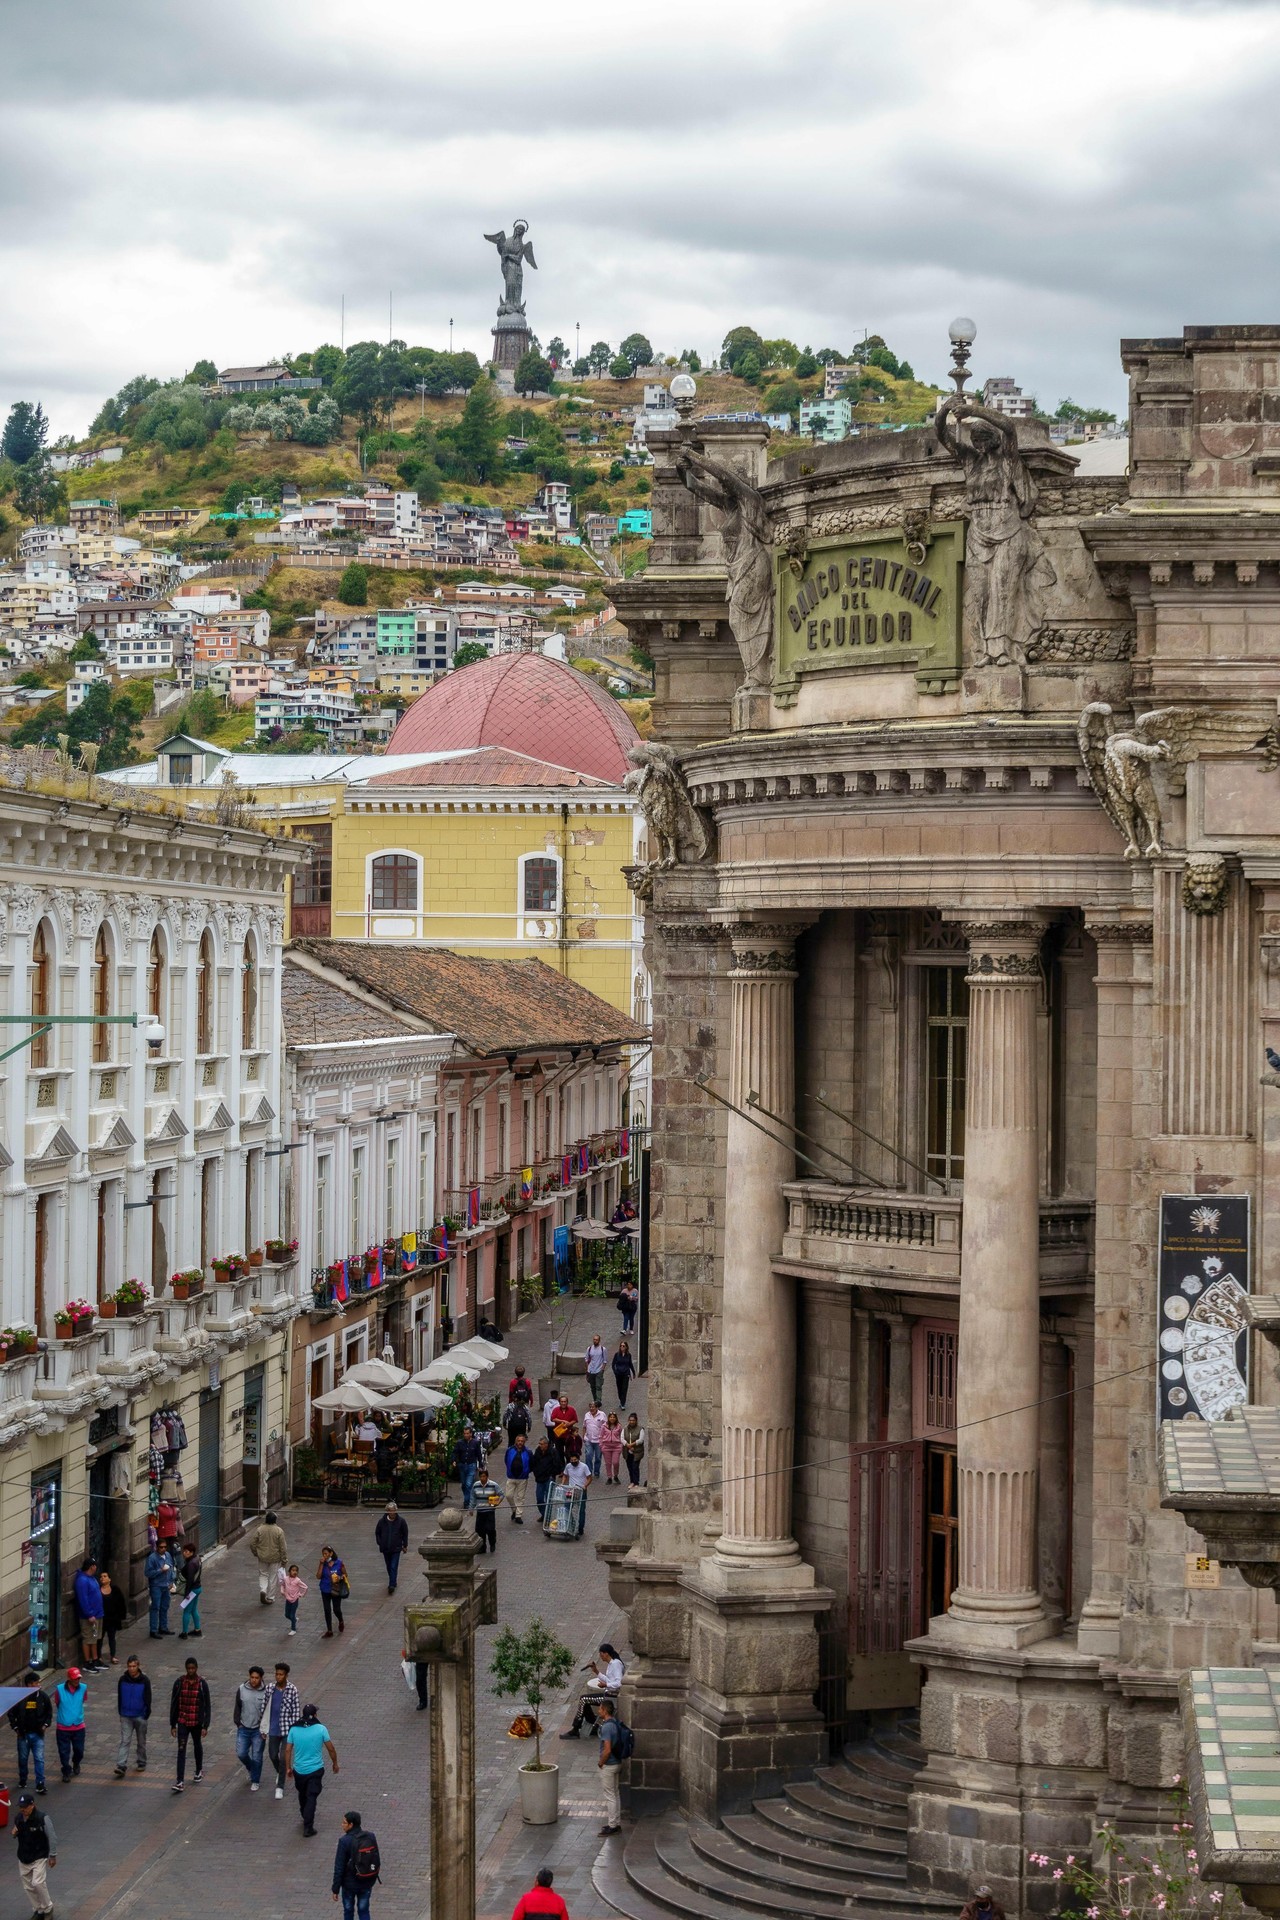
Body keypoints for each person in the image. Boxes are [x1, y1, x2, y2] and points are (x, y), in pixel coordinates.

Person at [286, 1702, 339, 1837]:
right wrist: (335, 1763)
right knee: (312, 1797)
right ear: (315, 1715)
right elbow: (330, 1748)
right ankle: (308, 1826)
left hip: (299, 1770)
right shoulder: (321, 1729)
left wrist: (288, 1767)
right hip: (315, 1769)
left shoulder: (294, 1729)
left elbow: (288, 1750)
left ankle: (304, 1813)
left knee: (302, 1793)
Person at [562, 1643, 624, 1739]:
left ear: (606, 1653)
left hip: (611, 1696)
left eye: (601, 1654)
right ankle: (591, 1723)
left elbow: (619, 1683)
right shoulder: (612, 1664)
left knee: (583, 1699)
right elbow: (609, 1679)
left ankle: (576, 1728)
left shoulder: (616, 1664)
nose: (601, 1656)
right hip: (608, 1693)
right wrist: (596, 1671)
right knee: (584, 1699)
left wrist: (606, 1685)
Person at [169, 1655, 210, 1793]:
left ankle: (199, 1769)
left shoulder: (202, 1684)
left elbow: (207, 1706)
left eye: (193, 1668)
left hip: (196, 1721)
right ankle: (179, 1780)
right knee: (181, 1749)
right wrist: (172, 1724)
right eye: (188, 1668)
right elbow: (174, 1704)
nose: (191, 1670)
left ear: (196, 1668)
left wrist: (205, 1725)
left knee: (197, 1744)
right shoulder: (179, 1683)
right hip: (183, 1721)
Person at [331, 1809, 380, 1920]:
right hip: (367, 1881)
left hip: (349, 1884)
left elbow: (339, 1867)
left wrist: (335, 1889)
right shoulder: (370, 1836)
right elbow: (376, 1858)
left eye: (344, 1822)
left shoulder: (344, 1841)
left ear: (351, 1824)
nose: (342, 1825)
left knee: (348, 1911)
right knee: (364, 1910)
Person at [13, 1793, 56, 1918]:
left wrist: (52, 1855)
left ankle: (48, 1909)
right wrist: (15, 1832)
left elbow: (52, 1837)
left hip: (39, 1855)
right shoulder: (19, 1818)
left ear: (32, 1805)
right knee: (28, 1887)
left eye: (25, 1807)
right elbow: (17, 1830)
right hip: (23, 1857)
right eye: (21, 1807)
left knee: (37, 1882)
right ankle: (38, 1909)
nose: (22, 1809)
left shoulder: (43, 1818)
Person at [264, 1662, 300, 1799]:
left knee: (284, 1757)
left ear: (286, 1675)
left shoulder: (292, 1690)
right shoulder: (270, 1689)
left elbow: (296, 1712)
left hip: (287, 1730)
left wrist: (294, 1729)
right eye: (277, 1674)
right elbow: (264, 1707)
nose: (278, 1677)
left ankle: (280, 1787)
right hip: (273, 1728)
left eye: (281, 1674)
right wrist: (263, 1727)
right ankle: (280, 1771)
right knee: (273, 1755)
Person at [10, 1675, 51, 1795]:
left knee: (39, 1759)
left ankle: (40, 1783)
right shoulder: (20, 1698)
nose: (38, 1684)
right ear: (29, 1685)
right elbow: (11, 1713)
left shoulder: (43, 1697)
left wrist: (45, 1725)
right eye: (36, 1683)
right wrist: (16, 1728)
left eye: (38, 1682)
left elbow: (49, 1713)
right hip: (23, 1735)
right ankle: (23, 1779)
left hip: (38, 1734)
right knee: (23, 1759)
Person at [114, 1654, 151, 1777]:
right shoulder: (122, 1680)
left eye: (134, 1666)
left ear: (138, 1666)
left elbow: (148, 1698)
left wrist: (146, 1713)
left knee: (141, 1741)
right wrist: (121, 1711)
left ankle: (141, 1762)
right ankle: (121, 1765)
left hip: (140, 1715)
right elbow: (119, 1696)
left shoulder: (145, 1680)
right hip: (126, 1715)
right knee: (125, 1740)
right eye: (130, 1666)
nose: (131, 1669)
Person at [233, 1664, 268, 1791]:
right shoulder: (242, 1689)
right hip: (244, 1727)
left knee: (257, 1756)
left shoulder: (266, 1691)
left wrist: (265, 1728)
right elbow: (238, 1706)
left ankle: (255, 1780)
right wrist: (238, 1722)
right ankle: (251, 1769)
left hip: (258, 1729)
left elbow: (268, 1711)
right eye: (252, 1677)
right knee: (241, 1753)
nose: (254, 1680)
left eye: (257, 1678)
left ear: (261, 1678)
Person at [53, 1668, 87, 1782]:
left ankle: (76, 1762)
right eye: (75, 1678)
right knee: (63, 1751)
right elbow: (57, 1703)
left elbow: (83, 1700)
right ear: (69, 1678)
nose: (77, 1680)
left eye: (78, 1678)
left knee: (79, 1750)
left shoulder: (83, 1688)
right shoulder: (59, 1689)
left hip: (78, 1726)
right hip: (63, 1727)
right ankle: (66, 1771)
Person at [596, 1699, 623, 1835]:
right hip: (617, 1762)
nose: (598, 1711)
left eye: (600, 1709)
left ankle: (612, 1825)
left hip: (609, 1764)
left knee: (610, 1795)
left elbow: (607, 1749)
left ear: (605, 1711)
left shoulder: (606, 1727)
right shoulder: (615, 1723)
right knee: (616, 1793)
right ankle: (616, 1822)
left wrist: (601, 1762)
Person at [74, 1558, 105, 1672]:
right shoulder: (82, 1580)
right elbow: (83, 1599)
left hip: (97, 1614)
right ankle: (87, 1662)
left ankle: (95, 1659)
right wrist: (89, 1614)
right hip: (89, 1616)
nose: (96, 1567)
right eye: (95, 1566)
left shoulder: (91, 1578)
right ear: (92, 1567)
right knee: (88, 1638)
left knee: (94, 1638)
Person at [251, 1511, 288, 1604]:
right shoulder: (279, 1531)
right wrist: (284, 1560)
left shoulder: (260, 1529)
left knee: (263, 1574)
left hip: (262, 1557)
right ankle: (270, 1597)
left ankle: (263, 1590)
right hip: (275, 1558)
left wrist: (256, 1553)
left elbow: (252, 1543)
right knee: (273, 1577)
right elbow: (283, 1547)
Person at [374, 1503, 409, 1594]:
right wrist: (380, 1543)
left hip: (396, 1548)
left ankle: (391, 1584)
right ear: (387, 1511)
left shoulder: (401, 1521)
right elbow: (377, 1533)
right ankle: (393, 1580)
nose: (392, 1512)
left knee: (394, 1566)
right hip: (385, 1548)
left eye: (394, 1510)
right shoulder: (382, 1522)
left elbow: (405, 1534)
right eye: (390, 1511)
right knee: (389, 1566)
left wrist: (405, 1545)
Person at [145, 1541, 175, 1638]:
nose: (163, 1549)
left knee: (164, 1607)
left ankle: (163, 1627)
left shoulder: (168, 1555)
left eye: (165, 1547)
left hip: (166, 1585)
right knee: (155, 1607)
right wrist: (160, 1571)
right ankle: (153, 1630)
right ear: (157, 1548)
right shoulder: (152, 1558)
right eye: (161, 1547)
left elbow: (171, 1568)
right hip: (156, 1586)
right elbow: (148, 1573)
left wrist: (171, 1581)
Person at [317, 1546, 348, 1636]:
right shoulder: (323, 1564)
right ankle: (329, 1630)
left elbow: (345, 1574)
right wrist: (321, 1564)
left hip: (336, 1589)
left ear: (331, 1553)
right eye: (323, 1554)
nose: (324, 1556)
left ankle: (340, 1620)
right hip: (325, 1589)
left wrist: (339, 1577)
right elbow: (318, 1576)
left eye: (326, 1554)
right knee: (327, 1609)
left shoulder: (339, 1563)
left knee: (336, 1609)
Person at [99, 1571, 127, 1666]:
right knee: (99, 1637)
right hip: (102, 1619)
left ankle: (113, 1655)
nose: (103, 1578)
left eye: (105, 1576)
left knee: (112, 1638)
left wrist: (121, 1616)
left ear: (109, 1579)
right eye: (101, 1577)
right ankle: (99, 1656)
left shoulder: (115, 1590)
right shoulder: (98, 1590)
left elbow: (121, 1603)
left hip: (112, 1619)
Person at [453, 1425, 484, 1509]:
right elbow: (455, 1452)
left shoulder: (475, 1443)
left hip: (471, 1465)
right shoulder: (459, 1443)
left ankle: (467, 1502)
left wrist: (480, 1465)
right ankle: (469, 1498)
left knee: (468, 1484)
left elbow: (478, 1454)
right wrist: (454, 1461)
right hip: (462, 1465)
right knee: (463, 1484)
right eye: (464, 1433)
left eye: (467, 1433)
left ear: (471, 1434)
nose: (466, 1435)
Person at [504, 1433, 532, 1523]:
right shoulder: (509, 1450)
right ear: (516, 1441)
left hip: (522, 1478)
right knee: (508, 1495)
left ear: (524, 1442)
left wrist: (527, 1471)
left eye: (522, 1441)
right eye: (518, 1441)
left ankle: (518, 1516)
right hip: (511, 1477)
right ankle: (514, 1509)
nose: (520, 1442)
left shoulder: (528, 1452)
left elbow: (532, 1463)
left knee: (520, 1497)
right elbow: (506, 1460)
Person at [530, 1436, 559, 1523]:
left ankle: (547, 1517)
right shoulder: (538, 1451)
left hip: (549, 1478)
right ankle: (544, 1513)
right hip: (539, 1478)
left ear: (546, 1444)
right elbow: (534, 1463)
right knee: (539, 1498)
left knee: (549, 1498)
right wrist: (536, 1472)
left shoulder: (553, 1452)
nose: (540, 1446)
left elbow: (557, 1464)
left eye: (542, 1444)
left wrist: (552, 1474)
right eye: (539, 1444)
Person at [472, 1466, 501, 1553]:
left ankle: (492, 1543)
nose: (482, 1478)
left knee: (490, 1529)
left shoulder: (493, 1485)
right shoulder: (476, 1485)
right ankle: (482, 1547)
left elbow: (501, 1494)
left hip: (489, 1511)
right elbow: (473, 1497)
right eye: (481, 1476)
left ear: (487, 1477)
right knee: (480, 1531)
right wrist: (471, 1508)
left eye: (484, 1476)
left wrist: (496, 1503)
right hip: (480, 1511)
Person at [178, 1541, 203, 1639]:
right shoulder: (197, 1559)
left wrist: (186, 1593)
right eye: (184, 1551)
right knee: (193, 1609)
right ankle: (197, 1629)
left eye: (187, 1551)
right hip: (198, 1588)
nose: (184, 1553)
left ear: (191, 1552)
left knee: (187, 1611)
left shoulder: (191, 1564)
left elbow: (189, 1580)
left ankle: (184, 1633)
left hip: (192, 1590)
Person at [565, 1454, 591, 1538]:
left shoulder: (584, 1467)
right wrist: (562, 1484)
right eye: (571, 1460)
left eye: (575, 1460)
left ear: (578, 1459)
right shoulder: (568, 1466)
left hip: (581, 1491)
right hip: (571, 1491)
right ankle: (571, 1525)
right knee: (567, 1508)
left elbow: (590, 1478)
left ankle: (580, 1528)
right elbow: (565, 1475)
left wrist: (585, 1486)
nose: (573, 1462)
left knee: (581, 1510)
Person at [279, 1563, 308, 1634]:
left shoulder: (297, 1580)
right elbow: (282, 1585)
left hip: (295, 1599)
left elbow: (305, 1587)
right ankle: (294, 1619)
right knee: (287, 1614)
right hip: (288, 1599)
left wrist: (301, 1594)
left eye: (296, 1571)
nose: (294, 1572)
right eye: (293, 1570)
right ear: (289, 1571)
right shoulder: (286, 1579)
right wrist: (282, 1591)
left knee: (292, 1614)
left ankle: (293, 1629)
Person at [582, 1403, 606, 1480]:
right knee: (588, 1456)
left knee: (598, 1457)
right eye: (590, 1407)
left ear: (597, 1407)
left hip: (599, 1441)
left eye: (593, 1407)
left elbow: (606, 1427)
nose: (591, 1408)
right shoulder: (587, 1415)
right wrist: (583, 1436)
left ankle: (596, 1472)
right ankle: (588, 1472)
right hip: (589, 1440)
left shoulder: (602, 1415)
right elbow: (584, 1426)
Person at [611, 1339, 637, 1410]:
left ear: (626, 1347)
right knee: (619, 1388)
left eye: (623, 1346)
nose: (622, 1347)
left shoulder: (628, 1355)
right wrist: (615, 1371)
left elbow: (630, 1364)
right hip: (618, 1374)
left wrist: (633, 1372)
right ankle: (621, 1399)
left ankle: (623, 1403)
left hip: (626, 1374)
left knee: (624, 1388)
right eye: (621, 1346)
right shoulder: (617, 1355)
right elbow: (613, 1364)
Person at [401, 1644, 428, 1710]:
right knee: (420, 1678)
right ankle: (423, 1701)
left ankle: (423, 1701)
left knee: (420, 1679)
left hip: (423, 1651)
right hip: (419, 1652)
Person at [622, 1414, 645, 1487]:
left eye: (633, 1420)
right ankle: (632, 1481)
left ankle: (636, 1483)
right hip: (627, 1451)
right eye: (630, 1420)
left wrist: (632, 1445)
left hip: (637, 1452)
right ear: (628, 1421)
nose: (632, 1422)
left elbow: (641, 1440)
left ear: (636, 1421)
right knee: (630, 1467)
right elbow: (622, 1438)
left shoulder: (640, 1429)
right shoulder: (625, 1429)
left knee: (635, 1467)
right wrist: (627, 1445)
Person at [601, 1411, 624, 1485]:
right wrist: (601, 1445)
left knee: (615, 1462)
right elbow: (601, 1436)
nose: (612, 1418)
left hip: (616, 1447)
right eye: (611, 1417)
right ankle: (609, 1477)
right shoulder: (604, 1426)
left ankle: (616, 1475)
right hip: (606, 1447)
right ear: (608, 1418)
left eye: (614, 1417)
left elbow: (622, 1436)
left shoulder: (619, 1426)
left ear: (616, 1418)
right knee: (608, 1463)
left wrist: (621, 1445)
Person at [585, 1335, 608, 1405]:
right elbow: (586, 1359)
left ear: (599, 1340)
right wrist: (587, 1369)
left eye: (597, 1340)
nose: (595, 1341)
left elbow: (605, 1360)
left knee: (598, 1386)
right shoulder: (589, 1349)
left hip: (599, 1370)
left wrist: (602, 1369)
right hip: (591, 1370)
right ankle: (595, 1399)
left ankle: (598, 1401)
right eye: (594, 1339)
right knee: (592, 1386)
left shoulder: (602, 1349)